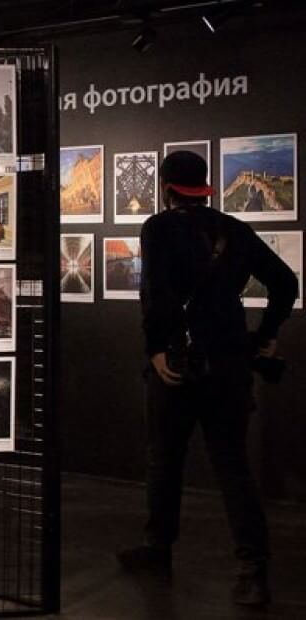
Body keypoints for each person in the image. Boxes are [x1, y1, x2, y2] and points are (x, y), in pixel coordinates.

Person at [118, 151, 297, 607]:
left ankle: (158, 548)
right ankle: (253, 570)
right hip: (230, 365)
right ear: (204, 186)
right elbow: (285, 283)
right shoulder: (235, 230)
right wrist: (266, 335)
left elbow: (155, 293)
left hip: (178, 362)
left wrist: (156, 347)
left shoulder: (158, 228)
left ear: (166, 187)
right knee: (233, 467)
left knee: (165, 460)